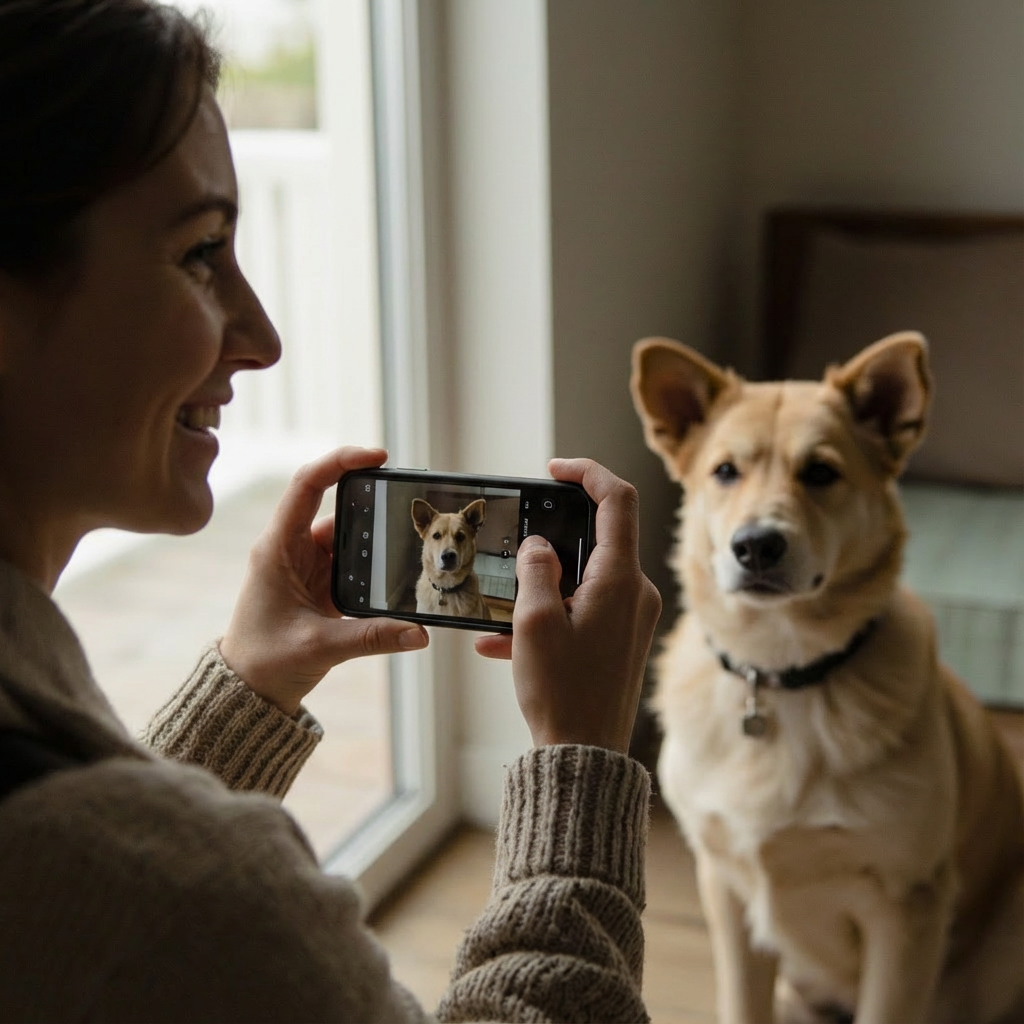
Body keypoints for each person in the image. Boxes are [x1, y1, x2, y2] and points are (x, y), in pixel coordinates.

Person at [0, 1, 662, 1021]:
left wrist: (249, 690)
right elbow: (144, 900)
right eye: (198, 251)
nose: (261, 337)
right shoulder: (192, 897)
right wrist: (581, 760)